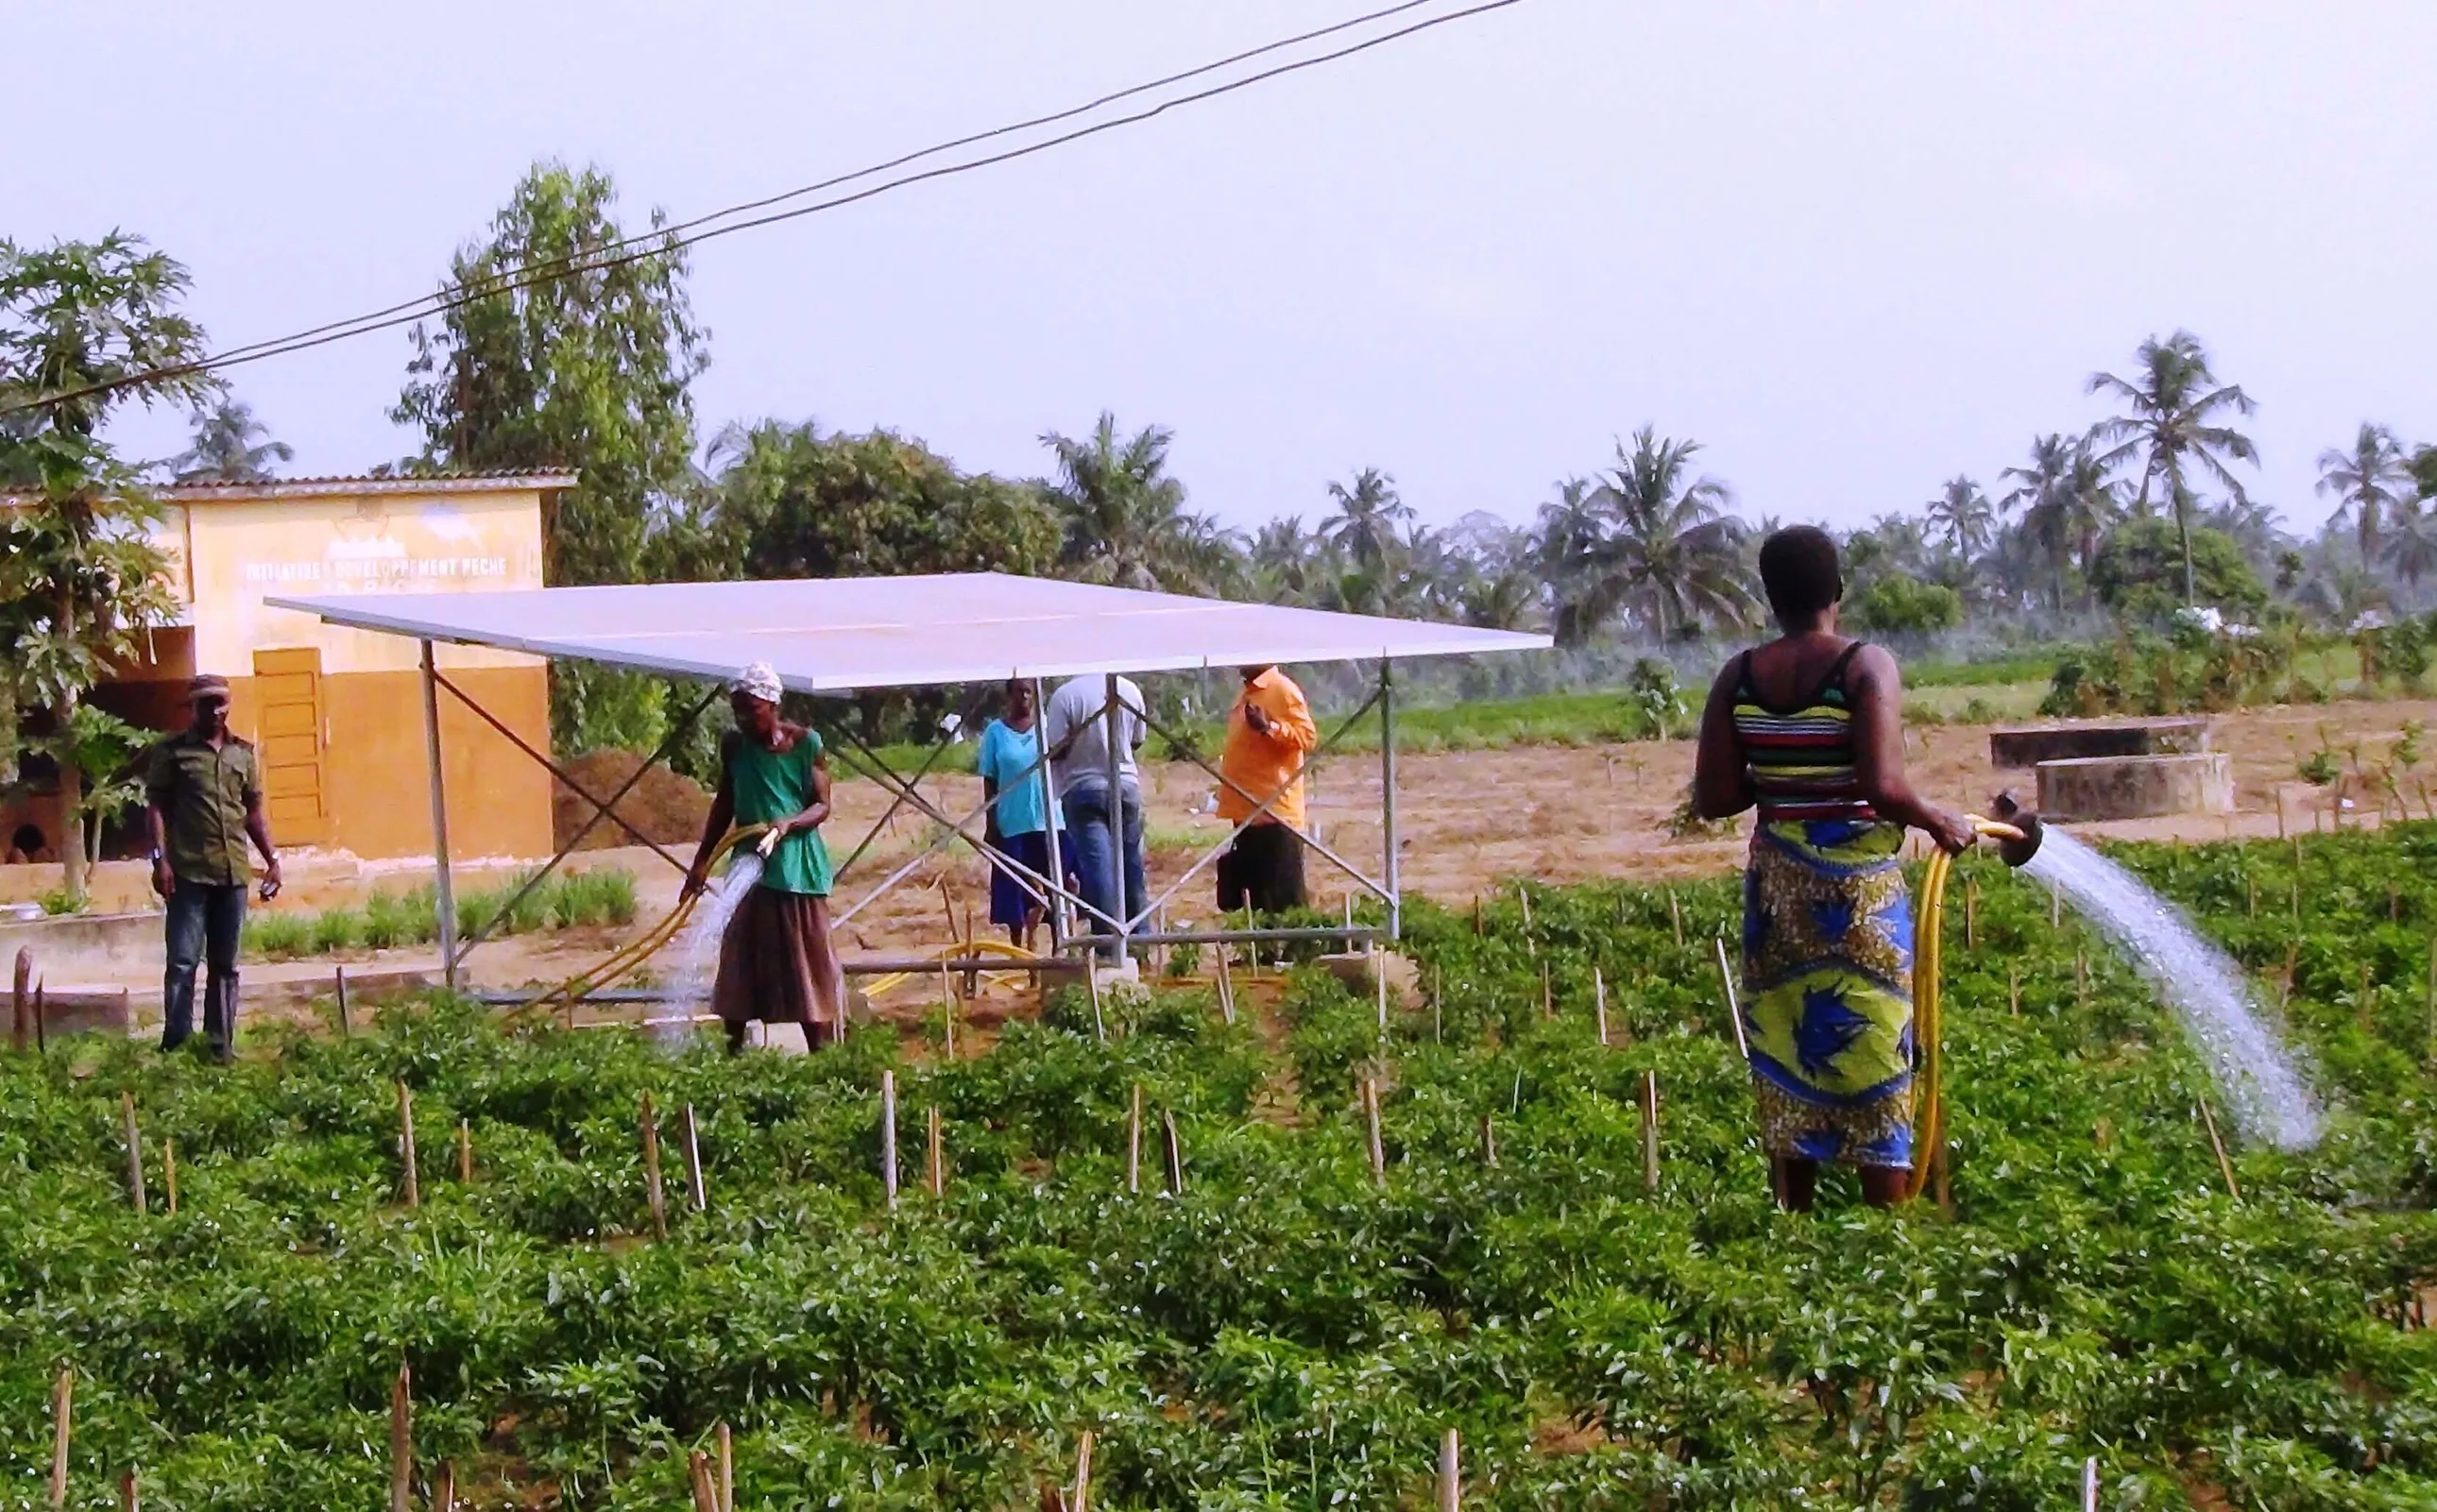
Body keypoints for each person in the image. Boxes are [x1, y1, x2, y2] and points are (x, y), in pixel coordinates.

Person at [1691, 526, 1976, 1213]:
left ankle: (1796, 1224)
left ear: (1770, 597)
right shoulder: (1863, 665)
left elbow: (1716, 798)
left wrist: (1787, 780)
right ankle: (1890, 1225)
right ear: (1837, 593)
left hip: (1779, 892)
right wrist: (1940, 817)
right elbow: (1883, 784)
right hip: (1855, 894)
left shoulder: (1740, 675)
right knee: (1874, 1042)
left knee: (1788, 1045)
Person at [686, 662, 844, 1053]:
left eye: (750, 709)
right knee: (740, 960)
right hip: (748, 868)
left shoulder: (806, 744)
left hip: (795, 870)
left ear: (772, 704)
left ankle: (823, 1058)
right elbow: (725, 802)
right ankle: (732, 1053)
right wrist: (701, 860)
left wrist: (789, 823)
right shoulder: (735, 746)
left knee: (804, 963)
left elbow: (822, 805)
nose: (742, 718)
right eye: (737, 709)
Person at [145, 673, 281, 1062]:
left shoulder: (242, 753)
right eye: (207, 704)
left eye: (222, 703)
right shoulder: (173, 753)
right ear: (193, 708)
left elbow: (253, 812)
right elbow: (155, 808)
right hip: (187, 872)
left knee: (226, 966)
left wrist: (272, 860)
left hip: (232, 873)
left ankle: (219, 1049)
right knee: (184, 962)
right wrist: (160, 861)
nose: (216, 711)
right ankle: (178, 1048)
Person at [1043, 673, 1148, 956]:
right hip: (1125, 784)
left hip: (1083, 787)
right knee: (1131, 868)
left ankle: (1108, 945)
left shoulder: (1065, 696)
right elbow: (1137, 740)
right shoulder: (1129, 688)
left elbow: (1055, 749)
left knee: (1099, 870)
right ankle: (1140, 943)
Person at [1217, 663, 1318, 914]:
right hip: (1246, 813)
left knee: (1283, 899)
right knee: (1257, 898)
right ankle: (1265, 952)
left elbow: (1306, 737)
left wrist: (1269, 728)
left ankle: (1291, 951)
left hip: (1274, 813)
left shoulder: (1282, 689)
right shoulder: (1246, 693)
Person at [976, 679, 1067, 951]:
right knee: (1016, 890)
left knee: (1060, 886)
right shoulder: (996, 732)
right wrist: (991, 824)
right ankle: (1019, 950)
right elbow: (990, 779)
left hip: (1050, 820)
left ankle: (1058, 946)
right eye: (1019, 692)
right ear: (1009, 696)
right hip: (1012, 822)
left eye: (1029, 692)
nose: (1025, 697)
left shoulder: (1050, 728)